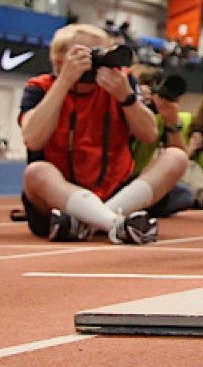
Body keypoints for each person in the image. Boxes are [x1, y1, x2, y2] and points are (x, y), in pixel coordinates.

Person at [18, 24, 187, 243]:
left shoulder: (120, 82)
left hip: (116, 193)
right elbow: (33, 139)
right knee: (36, 173)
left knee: (176, 158)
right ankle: (114, 224)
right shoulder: (40, 88)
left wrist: (126, 97)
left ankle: (92, 220)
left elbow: (148, 134)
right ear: (60, 61)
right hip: (59, 199)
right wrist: (63, 82)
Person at [128, 67, 198, 217]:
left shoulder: (161, 117)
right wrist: (133, 104)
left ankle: (131, 204)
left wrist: (172, 122)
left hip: (138, 179)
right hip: (114, 175)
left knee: (184, 194)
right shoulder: (122, 103)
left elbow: (179, 161)